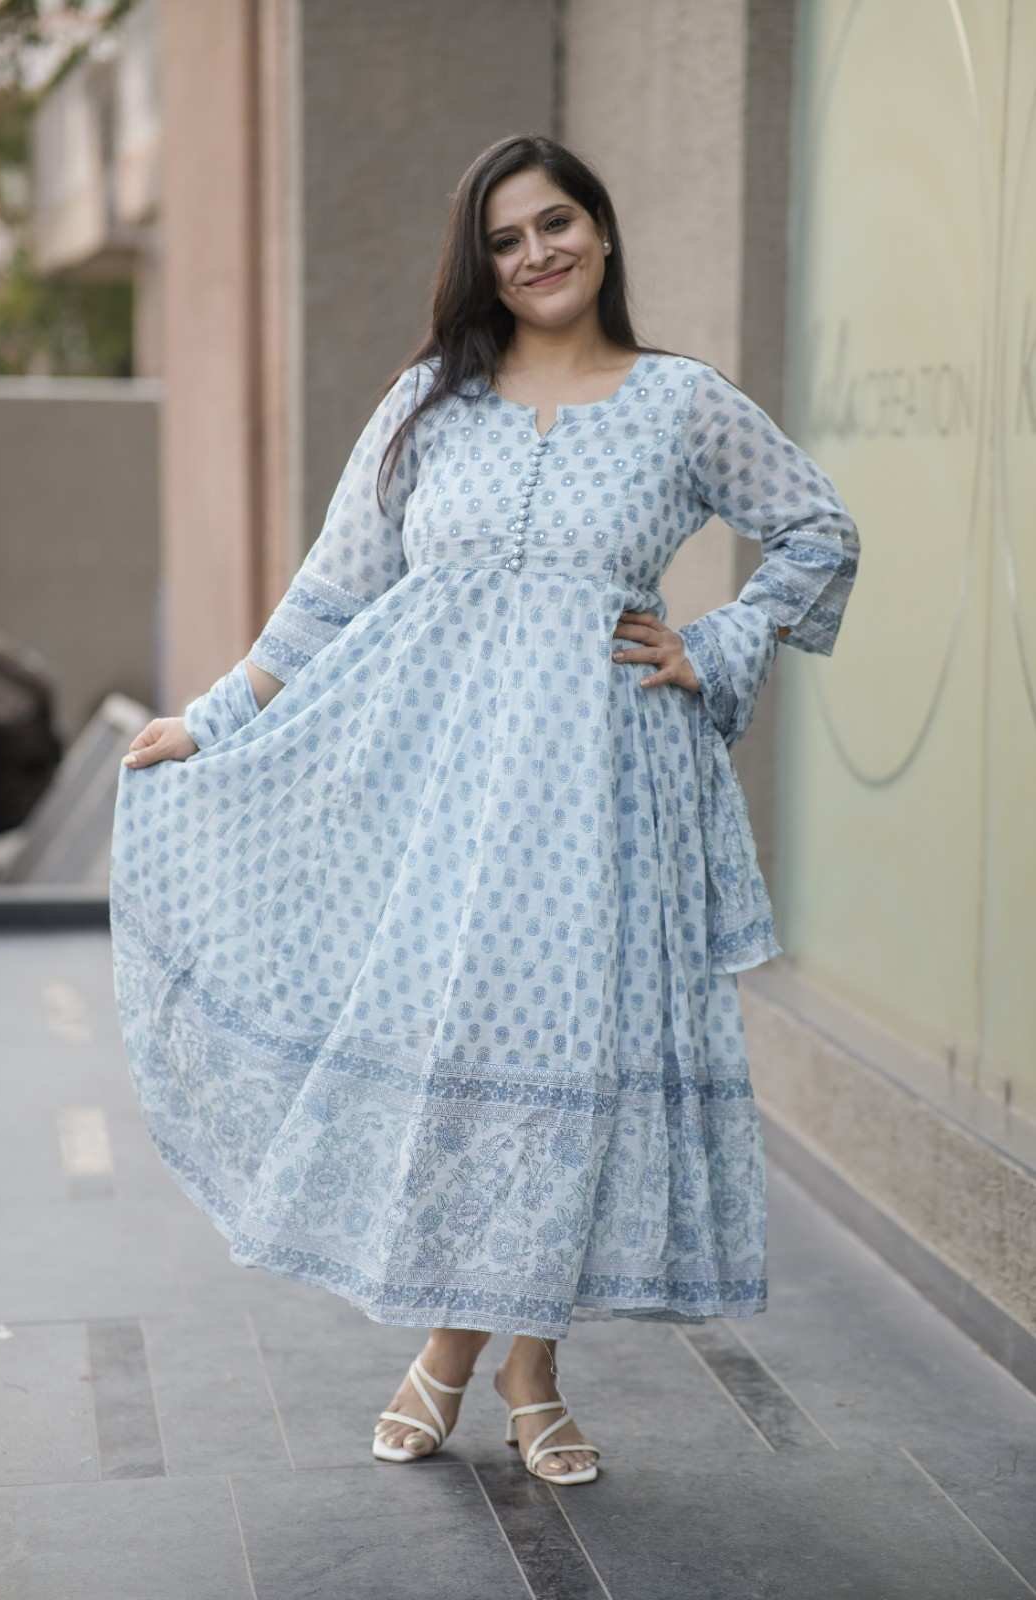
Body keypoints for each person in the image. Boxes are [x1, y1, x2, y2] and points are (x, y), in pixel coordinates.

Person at [110, 133, 859, 1487]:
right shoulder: (432, 404)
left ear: (603, 230)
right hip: (448, 804)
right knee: (462, 1068)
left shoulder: (681, 403)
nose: (535, 255)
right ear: (482, 263)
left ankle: (504, 1370)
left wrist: (719, 643)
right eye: (505, 240)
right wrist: (214, 716)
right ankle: (485, 1366)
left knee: (565, 1077)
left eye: (555, 223)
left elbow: (818, 530)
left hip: (606, 799)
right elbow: (334, 587)